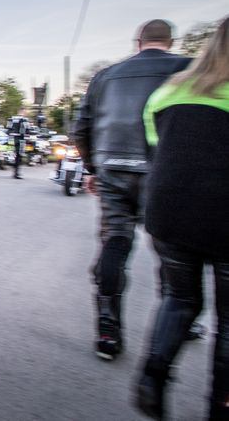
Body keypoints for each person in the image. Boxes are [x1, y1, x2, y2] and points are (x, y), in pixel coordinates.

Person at [73, 19, 192, 361]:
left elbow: (81, 128)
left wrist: (94, 169)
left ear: (137, 41)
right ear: (171, 41)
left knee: (115, 242)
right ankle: (178, 320)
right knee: (172, 252)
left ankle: (107, 330)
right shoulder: (189, 69)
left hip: (113, 169)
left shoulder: (105, 76)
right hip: (166, 172)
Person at [133, 17, 229, 419]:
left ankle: (153, 376)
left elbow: (158, 146)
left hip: (169, 208)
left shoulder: (169, 90)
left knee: (179, 298)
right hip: (222, 212)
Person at [7, 108, 29, 179]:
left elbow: (8, 129)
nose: (26, 113)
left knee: (11, 154)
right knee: (19, 156)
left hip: (11, 139)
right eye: (25, 112)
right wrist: (27, 136)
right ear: (23, 112)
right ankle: (16, 173)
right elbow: (26, 130)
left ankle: (14, 169)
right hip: (20, 139)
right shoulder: (24, 120)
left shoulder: (11, 118)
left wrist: (10, 135)